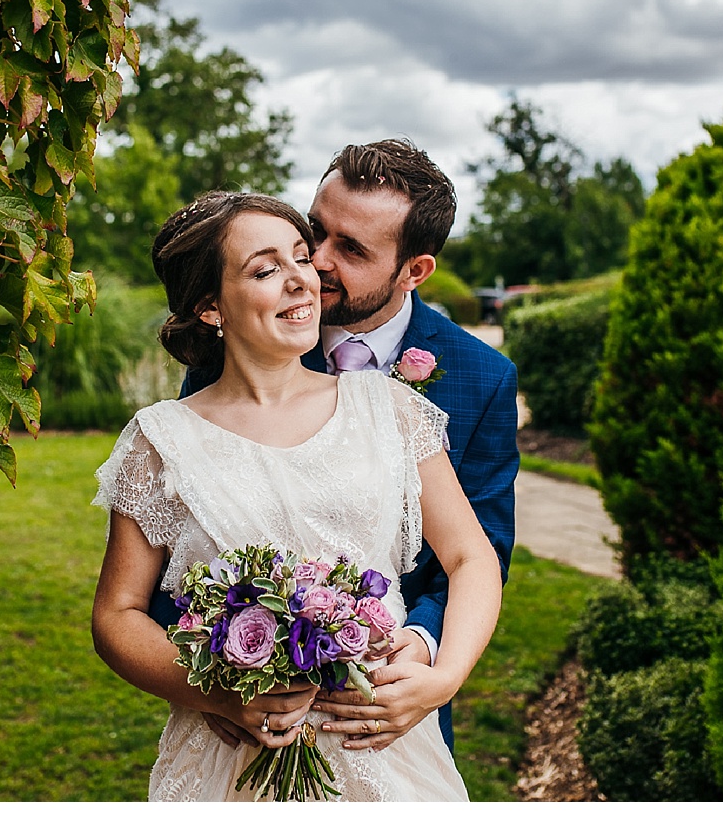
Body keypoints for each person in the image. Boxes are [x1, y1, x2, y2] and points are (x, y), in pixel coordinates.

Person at [91, 192, 501, 800]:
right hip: (232, 762)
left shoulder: (390, 410)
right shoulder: (161, 440)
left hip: (384, 751)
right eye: (264, 270)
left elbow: (472, 558)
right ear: (210, 307)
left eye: (302, 258)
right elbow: (116, 614)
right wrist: (217, 694)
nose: (301, 282)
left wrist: (443, 678)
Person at [168, 140, 519, 753]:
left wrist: (430, 655)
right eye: (316, 231)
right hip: (244, 714)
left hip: (384, 707)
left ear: (414, 271)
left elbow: (478, 549)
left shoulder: (479, 379)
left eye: (351, 249)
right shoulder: (238, 343)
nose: (317, 263)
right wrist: (210, 680)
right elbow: (182, 535)